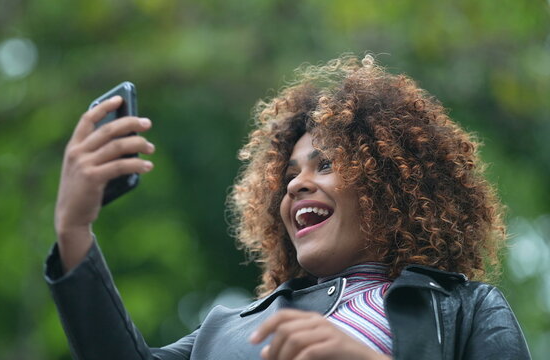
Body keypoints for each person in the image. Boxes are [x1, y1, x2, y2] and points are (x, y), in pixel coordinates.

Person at [45, 55, 531, 359]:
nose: (297, 184)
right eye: (289, 174)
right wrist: (73, 228)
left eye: (325, 165)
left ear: (390, 184)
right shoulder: (229, 330)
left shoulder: (464, 311)